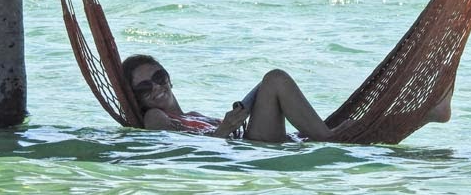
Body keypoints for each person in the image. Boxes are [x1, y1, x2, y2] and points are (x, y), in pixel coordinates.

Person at [122, 54, 349, 142]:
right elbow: (180, 150)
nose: (156, 87)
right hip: (251, 152)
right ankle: (330, 140)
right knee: (275, 80)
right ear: (136, 99)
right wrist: (225, 129)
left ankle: (323, 134)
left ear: (169, 78)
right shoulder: (154, 116)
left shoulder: (192, 116)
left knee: (354, 124)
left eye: (159, 77)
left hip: (251, 144)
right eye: (144, 88)